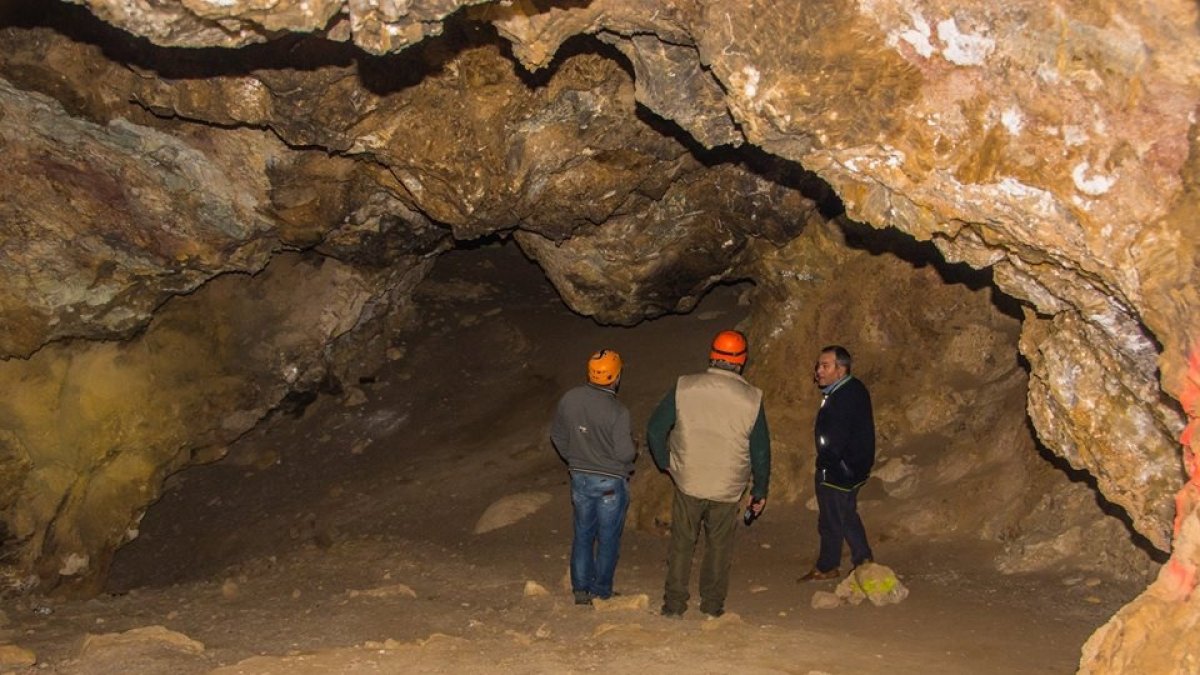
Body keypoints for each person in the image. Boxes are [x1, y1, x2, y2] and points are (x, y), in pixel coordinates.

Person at [647, 330, 770, 618]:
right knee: (719, 548)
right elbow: (761, 451)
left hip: (689, 479)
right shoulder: (752, 399)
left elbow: (655, 429)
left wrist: (666, 462)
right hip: (727, 486)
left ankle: (674, 605)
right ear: (742, 361)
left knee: (682, 543)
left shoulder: (685, 387)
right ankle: (712, 606)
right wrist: (759, 490)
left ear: (712, 355)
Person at [550, 349, 637, 605]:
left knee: (583, 534)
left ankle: (580, 589)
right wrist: (634, 450)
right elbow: (624, 453)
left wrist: (574, 458)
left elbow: (557, 435)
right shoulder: (618, 411)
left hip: (580, 478)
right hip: (609, 482)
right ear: (616, 376)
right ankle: (601, 590)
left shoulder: (570, 398)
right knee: (608, 538)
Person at [798, 345, 876, 582]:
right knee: (845, 514)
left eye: (825, 366)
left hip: (840, 470)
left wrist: (827, 465)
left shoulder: (842, 397)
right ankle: (863, 559)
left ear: (840, 369)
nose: (818, 371)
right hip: (852, 467)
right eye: (818, 365)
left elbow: (835, 439)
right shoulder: (852, 388)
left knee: (831, 519)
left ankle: (827, 566)